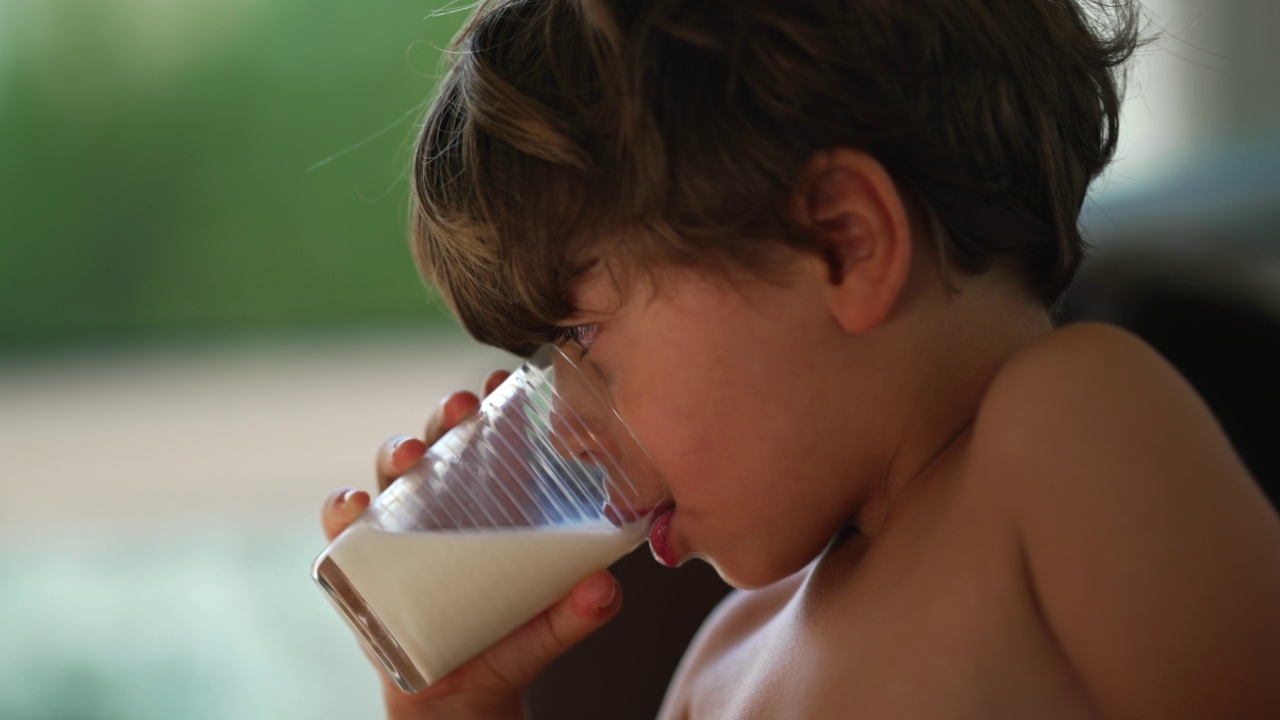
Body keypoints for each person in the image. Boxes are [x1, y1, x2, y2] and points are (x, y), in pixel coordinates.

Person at [320, 0, 1280, 717]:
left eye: (580, 340)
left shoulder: (1069, 434)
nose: (561, 425)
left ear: (844, 244)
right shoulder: (721, 666)